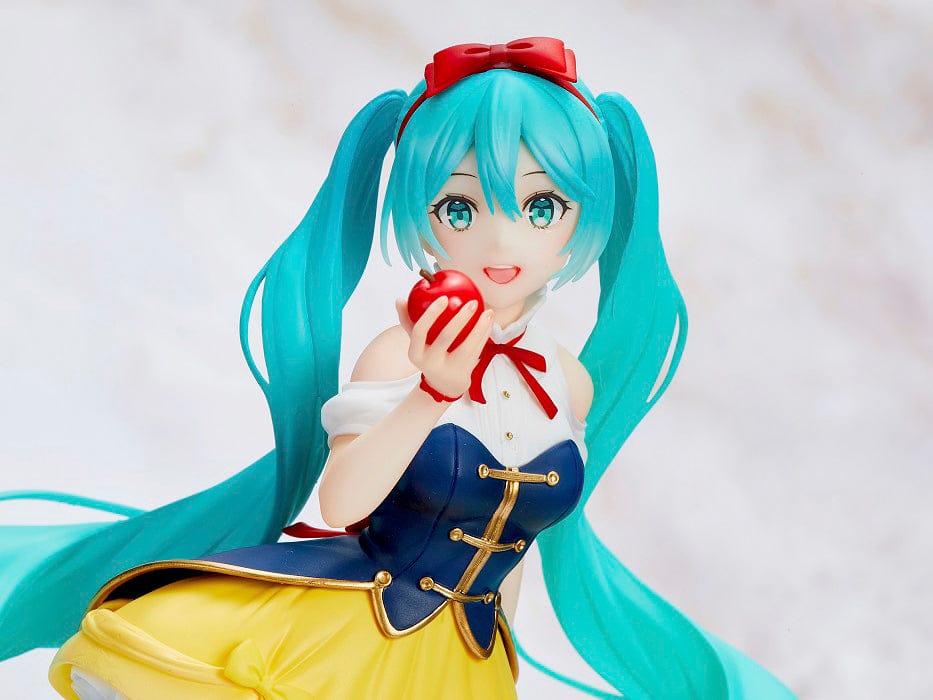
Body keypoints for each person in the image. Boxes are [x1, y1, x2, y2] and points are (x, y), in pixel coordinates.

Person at [0, 38, 795, 699]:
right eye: (460, 208)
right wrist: (431, 391)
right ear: (423, 217)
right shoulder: (398, 352)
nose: (500, 240)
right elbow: (342, 501)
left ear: (584, 218)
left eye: (540, 207)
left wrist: (502, 666)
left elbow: (514, 549)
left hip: (463, 664)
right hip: (344, 634)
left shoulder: (568, 384)